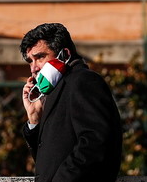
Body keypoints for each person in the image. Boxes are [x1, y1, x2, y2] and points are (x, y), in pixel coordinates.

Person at [20, 22, 122, 182]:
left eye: (39, 57)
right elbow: (48, 160)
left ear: (65, 54)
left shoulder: (83, 81)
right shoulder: (58, 89)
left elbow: (94, 143)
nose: (34, 68)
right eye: (30, 61)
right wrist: (34, 119)